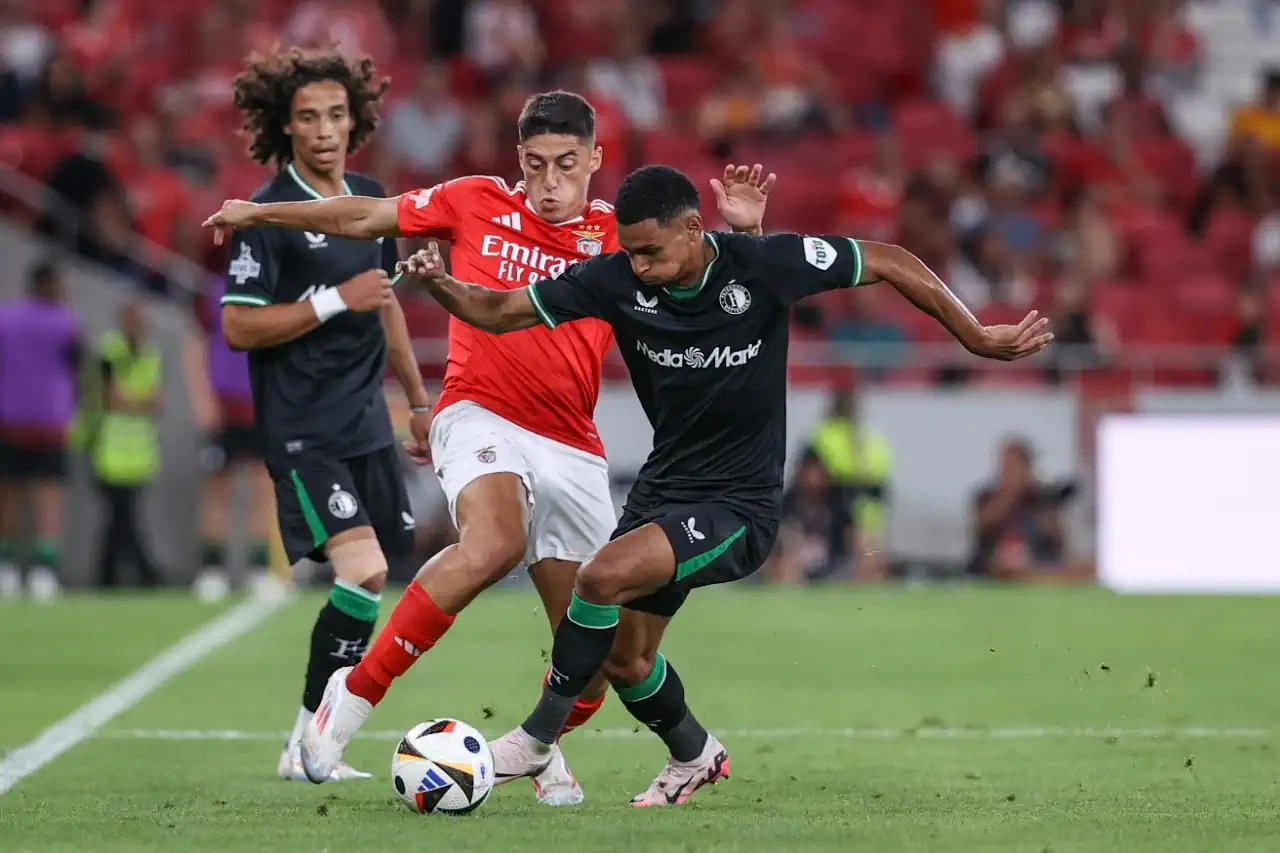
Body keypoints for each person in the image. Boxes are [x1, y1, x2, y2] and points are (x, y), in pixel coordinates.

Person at [327, 164, 1053, 806]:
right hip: (665, 487)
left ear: (694, 229)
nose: (638, 265)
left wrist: (976, 335)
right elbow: (500, 310)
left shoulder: (763, 264)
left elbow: (888, 259)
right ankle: (695, 753)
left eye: (652, 250)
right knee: (626, 659)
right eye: (630, 250)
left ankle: (538, 737)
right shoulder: (614, 276)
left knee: (599, 576)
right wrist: (442, 285)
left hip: (739, 504)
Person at [203, 91, 772, 804]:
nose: (550, 182)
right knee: (495, 541)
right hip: (479, 412)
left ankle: (544, 750)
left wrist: (750, 233)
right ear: (518, 161)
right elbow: (362, 215)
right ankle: (347, 701)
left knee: (597, 657)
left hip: (573, 443)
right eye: (535, 165)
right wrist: (260, 212)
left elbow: (722, 288)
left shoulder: (618, 237)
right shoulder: (473, 200)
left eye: (567, 164)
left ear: (595, 160)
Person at [216, 47, 433, 784]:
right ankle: (310, 743)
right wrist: (335, 300)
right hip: (302, 428)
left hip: (368, 422)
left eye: (336, 114)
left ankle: (307, 738)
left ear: (356, 121)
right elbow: (239, 326)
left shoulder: (370, 199)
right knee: (365, 568)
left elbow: (388, 303)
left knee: (379, 575)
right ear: (285, 125)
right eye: (307, 116)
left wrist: (419, 400)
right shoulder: (263, 214)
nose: (323, 129)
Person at [0, 260, 81, 600]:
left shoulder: (5, 319)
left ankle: (5, 570)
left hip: (11, 418)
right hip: (50, 420)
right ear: (48, 285)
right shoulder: (66, 324)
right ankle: (44, 571)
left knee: (9, 497)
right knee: (49, 499)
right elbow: (76, 369)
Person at [88, 299, 165, 588]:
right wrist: (140, 401)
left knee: (120, 517)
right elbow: (111, 398)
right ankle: (147, 572)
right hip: (109, 448)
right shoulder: (110, 350)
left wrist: (133, 400)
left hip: (139, 451)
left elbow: (157, 400)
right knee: (123, 514)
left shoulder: (151, 353)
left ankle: (107, 576)